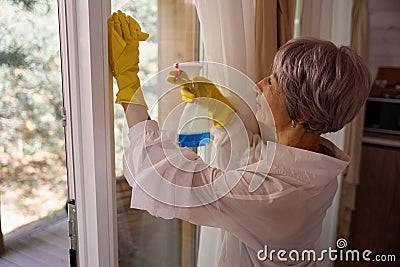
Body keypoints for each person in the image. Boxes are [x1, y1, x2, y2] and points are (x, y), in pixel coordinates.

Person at [108, 11, 371, 267]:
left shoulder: (275, 197)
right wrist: (222, 112)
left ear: (302, 112)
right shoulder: (315, 164)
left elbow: (164, 175)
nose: (259, 85)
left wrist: (129, 83)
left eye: (272, 82)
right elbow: (256, 160)